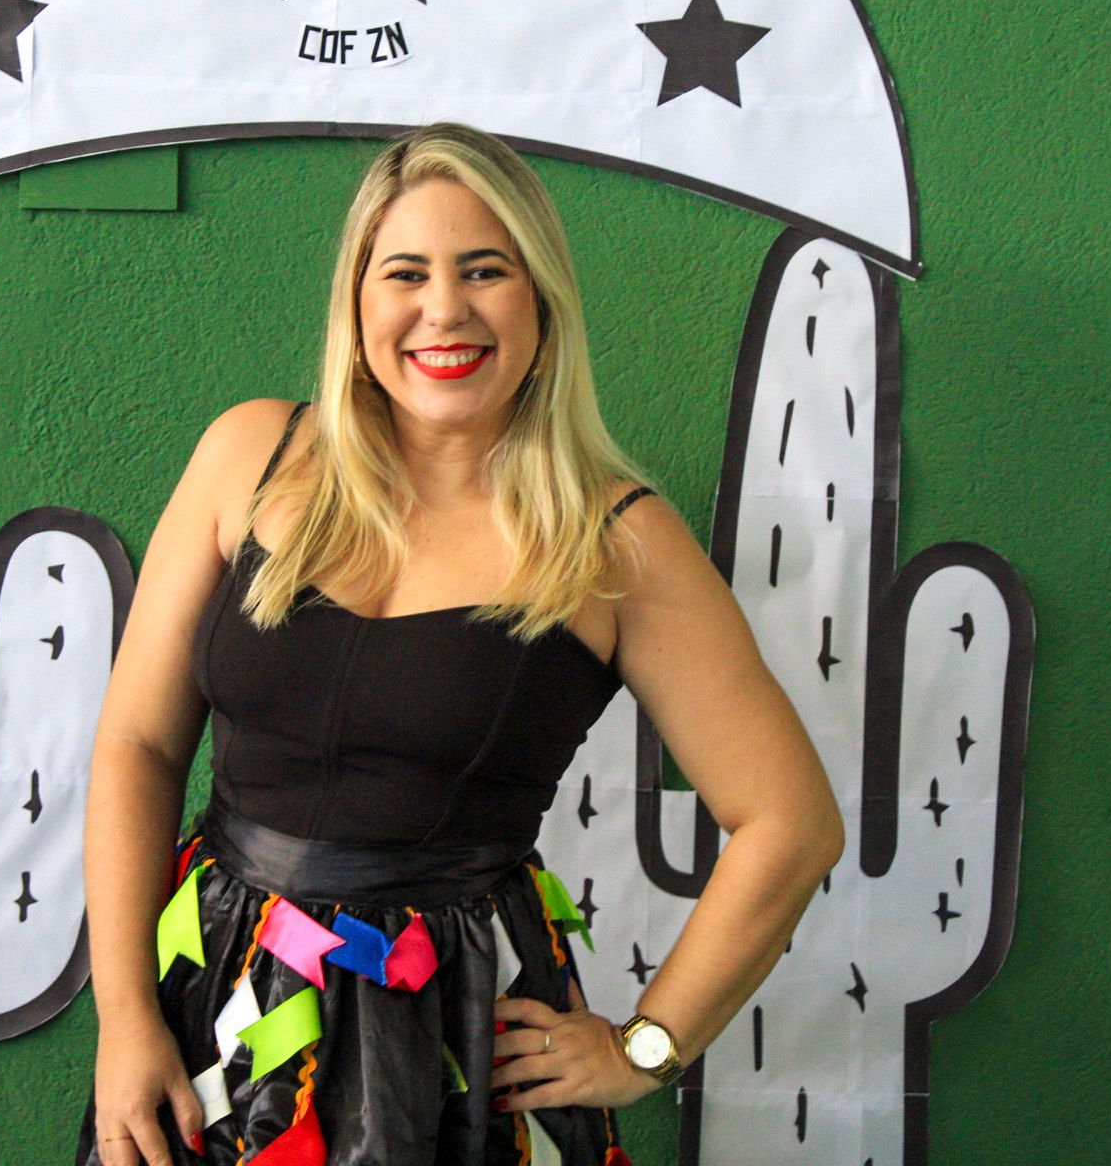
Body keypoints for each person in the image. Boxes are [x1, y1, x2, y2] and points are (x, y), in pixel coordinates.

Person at [74, 121, 844, 1165]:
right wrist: (126, 1016)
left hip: (454, 1044)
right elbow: (139, 743)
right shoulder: (248, 453)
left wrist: (646, 1047)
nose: (444, 309)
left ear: (542, 300)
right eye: (406, 273)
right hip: (211, 1008)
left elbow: (791, 822)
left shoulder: (617, 540)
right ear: (357, 301)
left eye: (486, 270)